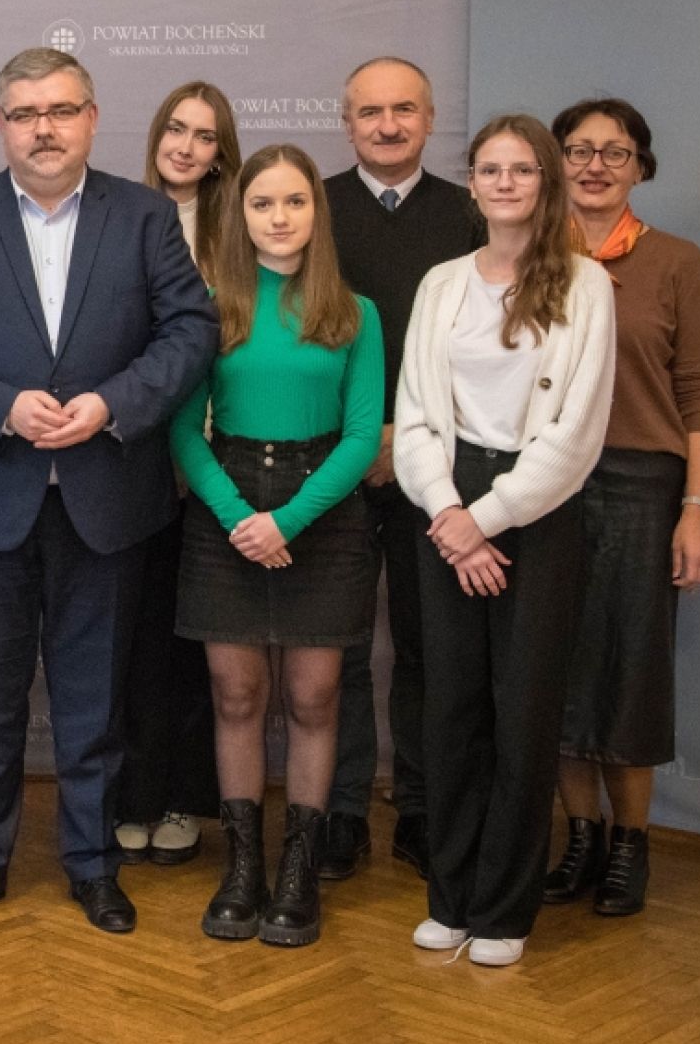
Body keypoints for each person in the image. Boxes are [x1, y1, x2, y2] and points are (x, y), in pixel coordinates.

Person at [0, 48, 219, 934]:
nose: (45, 127)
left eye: (62, 109)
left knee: (92, 702)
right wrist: (1, 406)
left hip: (107, 497)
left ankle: (93, 863)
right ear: (0, 124)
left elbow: (193, 331)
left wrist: (114, 404)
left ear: (93, 118)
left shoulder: (146, 218)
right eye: (26, 112)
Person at [396, 114, 615, 967]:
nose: (505, 183)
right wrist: (451, 516)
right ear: (474, 182)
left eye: (522, 169)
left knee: (522, 715)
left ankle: (503, 909)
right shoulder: (442, 283)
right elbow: (414, 415)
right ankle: (449, 898)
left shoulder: (585, 285)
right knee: (451, 712)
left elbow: (576, 436)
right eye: (490, 169)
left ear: (545, 182)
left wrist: (484, 522)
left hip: (536, 514)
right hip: (444, 503)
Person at [171, 145, 383, 947]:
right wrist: (237, 517)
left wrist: (286, 522)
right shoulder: (210, 305)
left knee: (314, 697)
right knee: (235, 697)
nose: (280, 217)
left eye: (295, 202)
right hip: (227, 504)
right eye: (263, 203)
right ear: (241, 214)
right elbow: (185, 433)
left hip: (320, 509)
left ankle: (298, 865)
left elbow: (364, 437)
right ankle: (243, 866)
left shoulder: (355, 313)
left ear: (315, 213)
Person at [543, 98, 700, 916]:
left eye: (615, 152)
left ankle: (628, 847)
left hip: (644, 485)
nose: (594, 165)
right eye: (578, 149)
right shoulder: (530, 259)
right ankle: (577, 838)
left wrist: (696, 506)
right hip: (546, 482)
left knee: (632, 672)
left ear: (640, 166)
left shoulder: (678, 263)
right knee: (561, 667)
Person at [322, 57, 485, 883]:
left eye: (404, 111)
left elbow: (489, 346)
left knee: (432, 650)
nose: (387, 126)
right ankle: (341, 812)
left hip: (442, 475)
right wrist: (365, 435)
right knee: (341, 648)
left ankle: (423, 808)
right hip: (334, 467)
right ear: (345, 121)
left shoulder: (471, 213)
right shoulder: (309, 207)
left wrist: (407, 437)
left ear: (430, 120)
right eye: (370, 112)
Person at [114, 82, 239, 867]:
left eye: (204, 136)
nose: (186, 146)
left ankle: (181, 798)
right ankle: (131, 794)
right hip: (129, 457)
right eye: (176, 130)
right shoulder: (119, 216)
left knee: (197, 642)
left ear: (222, 153)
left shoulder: (238, 235)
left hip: (215, 468)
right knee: (132, 638)